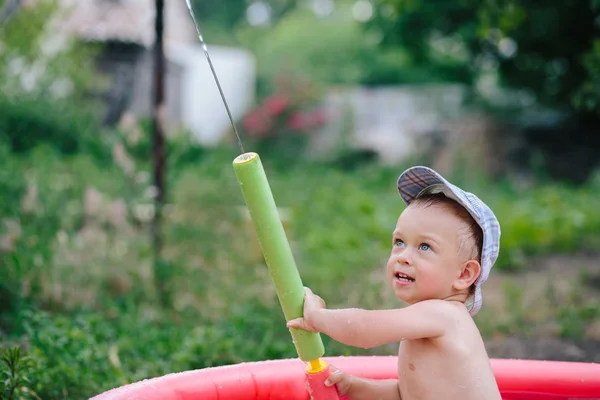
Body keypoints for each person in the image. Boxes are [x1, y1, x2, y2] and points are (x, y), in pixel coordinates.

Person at [287, 166, 503, 400]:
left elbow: (363, 328)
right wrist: (353, 387)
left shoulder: (445, 316)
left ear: (464, 274)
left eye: (424, 247)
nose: (403, 256)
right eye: (400, 242)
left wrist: (317, 317)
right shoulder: (428, 320)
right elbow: (407, 394)